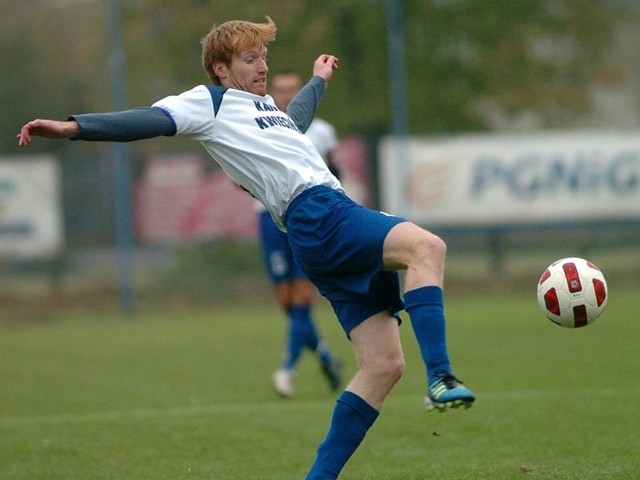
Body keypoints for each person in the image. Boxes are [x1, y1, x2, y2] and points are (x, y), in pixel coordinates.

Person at [17, 17, 475, 480]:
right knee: (425, 247)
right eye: (250, 59)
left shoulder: (265, 111)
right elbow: (150, 120)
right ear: (219, 68)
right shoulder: (209, 102)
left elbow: (293, 124)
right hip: (319, 212)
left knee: (382, 366)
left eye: (264, 57)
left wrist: (318, 80)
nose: (262, 67)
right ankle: (440, 376)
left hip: (311, 229)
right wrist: (74, 127)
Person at [260, 70, 342, 398]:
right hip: (269, 220)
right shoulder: (259, 125)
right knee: (288, 304)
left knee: (302, 299)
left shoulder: (322, 132)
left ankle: (287, 369)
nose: (286, 96)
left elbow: (333, 170)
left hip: (307, 219)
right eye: (280, 90)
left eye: (292, 90)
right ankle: (325, 355)